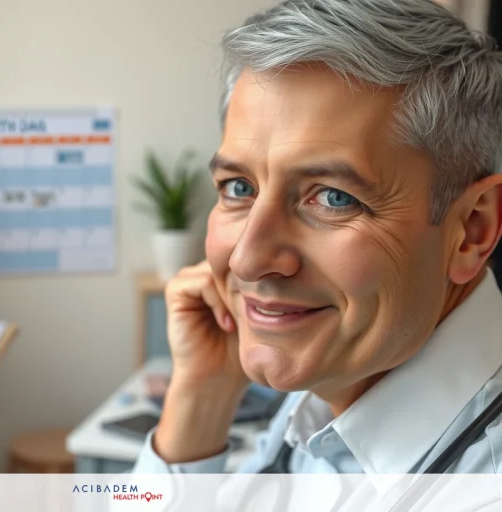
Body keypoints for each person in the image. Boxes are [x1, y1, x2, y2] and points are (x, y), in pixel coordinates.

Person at [133, 0, 502, 479]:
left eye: (332, 198)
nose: (247, 260)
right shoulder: (336, 374)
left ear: (471, 230)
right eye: (238, 188)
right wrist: (200, 399)